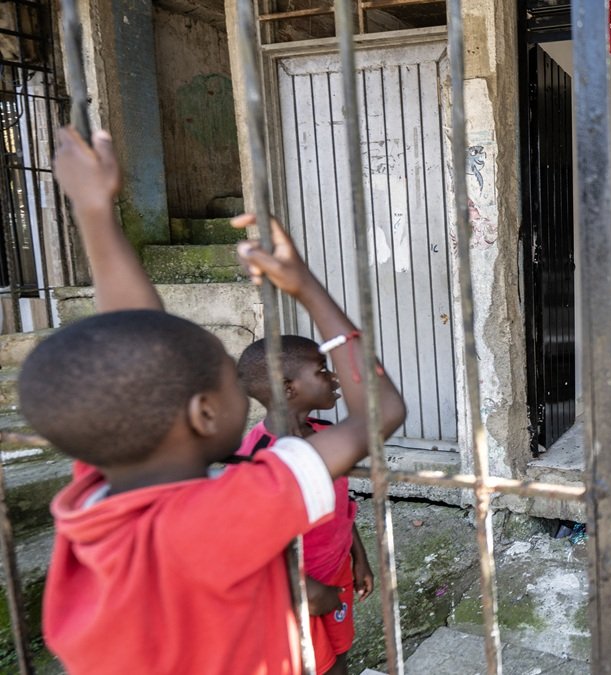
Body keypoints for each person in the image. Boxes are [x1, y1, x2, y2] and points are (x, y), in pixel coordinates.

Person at [26, 126, 406, 674]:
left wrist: (94, 212)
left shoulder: (97, 492)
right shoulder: (223, 511)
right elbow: (382, 414)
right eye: (229, 381)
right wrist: (307, 289)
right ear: (203, 415)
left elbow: (132, 338)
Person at [235, 335, 375, 675]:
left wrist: (359, 556)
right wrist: (308, 591)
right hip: (294, 589)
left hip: (336, 570)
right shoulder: (258, 460)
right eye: (322, 371)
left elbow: (338, 505)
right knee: (316, 665)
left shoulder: (324, 434)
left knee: (339, 651)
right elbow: (253, 545)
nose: (334, 378)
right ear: (287, 388)